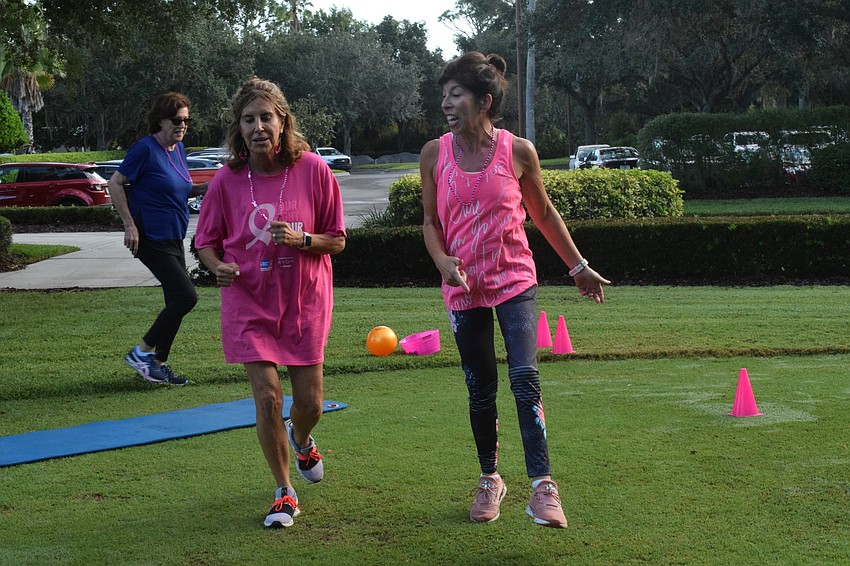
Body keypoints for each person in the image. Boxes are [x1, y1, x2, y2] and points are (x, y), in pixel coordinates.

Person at [420, 52, 611, 528]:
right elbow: (429, 221)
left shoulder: (518, 151)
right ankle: (491, 479)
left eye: (456, 94)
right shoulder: (433, 154)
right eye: (444, 94)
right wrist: (442, 261)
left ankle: (543, 487)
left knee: (524, 378)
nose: (446, 102)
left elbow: (543, 215)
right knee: (480, 388)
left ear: (484, 101)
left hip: (513, 281)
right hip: (463, 290)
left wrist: (579, 267)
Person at [194, 77, 346, 529]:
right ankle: (284, 491)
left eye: (266, 117)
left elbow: (336, 240)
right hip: (248, 302)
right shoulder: (226, 180)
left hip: (304, 301)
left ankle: (302, 438)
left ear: (282, 122)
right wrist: (215, 266)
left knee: (310, 403)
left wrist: (303, 239)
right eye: (248, 119)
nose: (258, 126)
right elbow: (206, 242)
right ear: (238, 128)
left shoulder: (314, 170)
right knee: (266, 397)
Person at [109, 92, 209, 386]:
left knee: (174, 301)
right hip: (149, 236)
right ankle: (141, 353)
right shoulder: (145, 149)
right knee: (186, 297)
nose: (183, 125)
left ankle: (158, 364)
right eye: (178, 120)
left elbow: (177, 188)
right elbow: (115, 182)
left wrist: (204, 190)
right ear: (161, 120)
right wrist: (129, 226)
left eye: (187, 120)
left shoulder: (177, 150)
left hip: (174, 234)